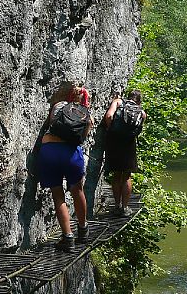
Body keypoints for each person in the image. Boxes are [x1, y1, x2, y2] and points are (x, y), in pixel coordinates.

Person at [37, 81, 92, 252]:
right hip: (71, 155)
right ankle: (83, 230)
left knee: (57, 194)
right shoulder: (87, 114)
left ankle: (68, 237)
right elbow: (83, 137)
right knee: (78, 191)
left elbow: (50, 122)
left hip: (49, 151)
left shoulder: (59, 105)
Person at [102, 90, 146, 215]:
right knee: (126, 176)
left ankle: (117, 205)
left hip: (114, 141)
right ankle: (125, 208)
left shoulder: (118, 102)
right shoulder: (142, 113)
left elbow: (109, 116)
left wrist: (111, 130)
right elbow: (138, 130)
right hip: (129, 144)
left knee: (116, 174)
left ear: (129, 97)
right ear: (139, 101)